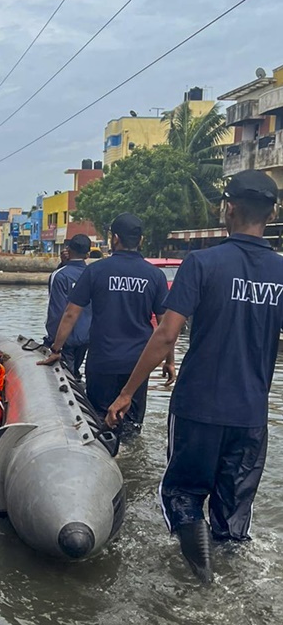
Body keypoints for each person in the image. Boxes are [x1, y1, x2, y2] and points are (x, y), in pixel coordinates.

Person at [106, 171, 282, 584]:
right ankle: (232, 585)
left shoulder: (201, 264)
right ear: (272, 213)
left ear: (229, 208)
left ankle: (202, 579)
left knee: (182, 496)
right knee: (233, 512)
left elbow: (166, 334)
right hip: (251, 417)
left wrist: (127, 393)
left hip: (199, 408)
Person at [38, 213, 174, 434]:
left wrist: (56, 349)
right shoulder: (155, 275)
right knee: (131, 427)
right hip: (138, 364)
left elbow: (71, 314)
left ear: (115, 238)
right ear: (140, 240)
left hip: (102, 361)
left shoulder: (96, 271)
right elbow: (164, 325)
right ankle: (130, 465)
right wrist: (169, 360)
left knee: (100, 424)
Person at [44, 234, 92, 380]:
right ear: (88, 254)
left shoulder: (60, 276)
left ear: (68, 250)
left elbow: (57, 311)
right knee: (75, 373)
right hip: (86, 337)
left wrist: (53, 343)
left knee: (63, 377)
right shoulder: (92, 274)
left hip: (64, 340)